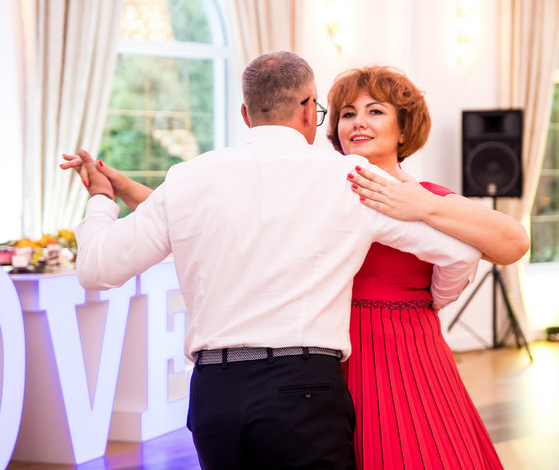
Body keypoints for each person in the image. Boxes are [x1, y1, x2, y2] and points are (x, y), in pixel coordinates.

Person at [68, 51, 481, 470]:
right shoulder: (348, 178)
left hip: (216, 393)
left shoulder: (187, 177)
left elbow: (97, 268)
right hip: (305, 388)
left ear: (246, 114)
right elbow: (461, 251)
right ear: (308, 109)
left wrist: (101, 199)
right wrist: (436, 297)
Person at [326, 66, 526, 469]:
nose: (358, 121)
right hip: (334, 349)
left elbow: (514, 243)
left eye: (374, 111)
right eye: (348, 113)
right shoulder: (322, 193)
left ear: (404, 130)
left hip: (411, 349)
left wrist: (424, 205)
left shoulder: (428, 197)